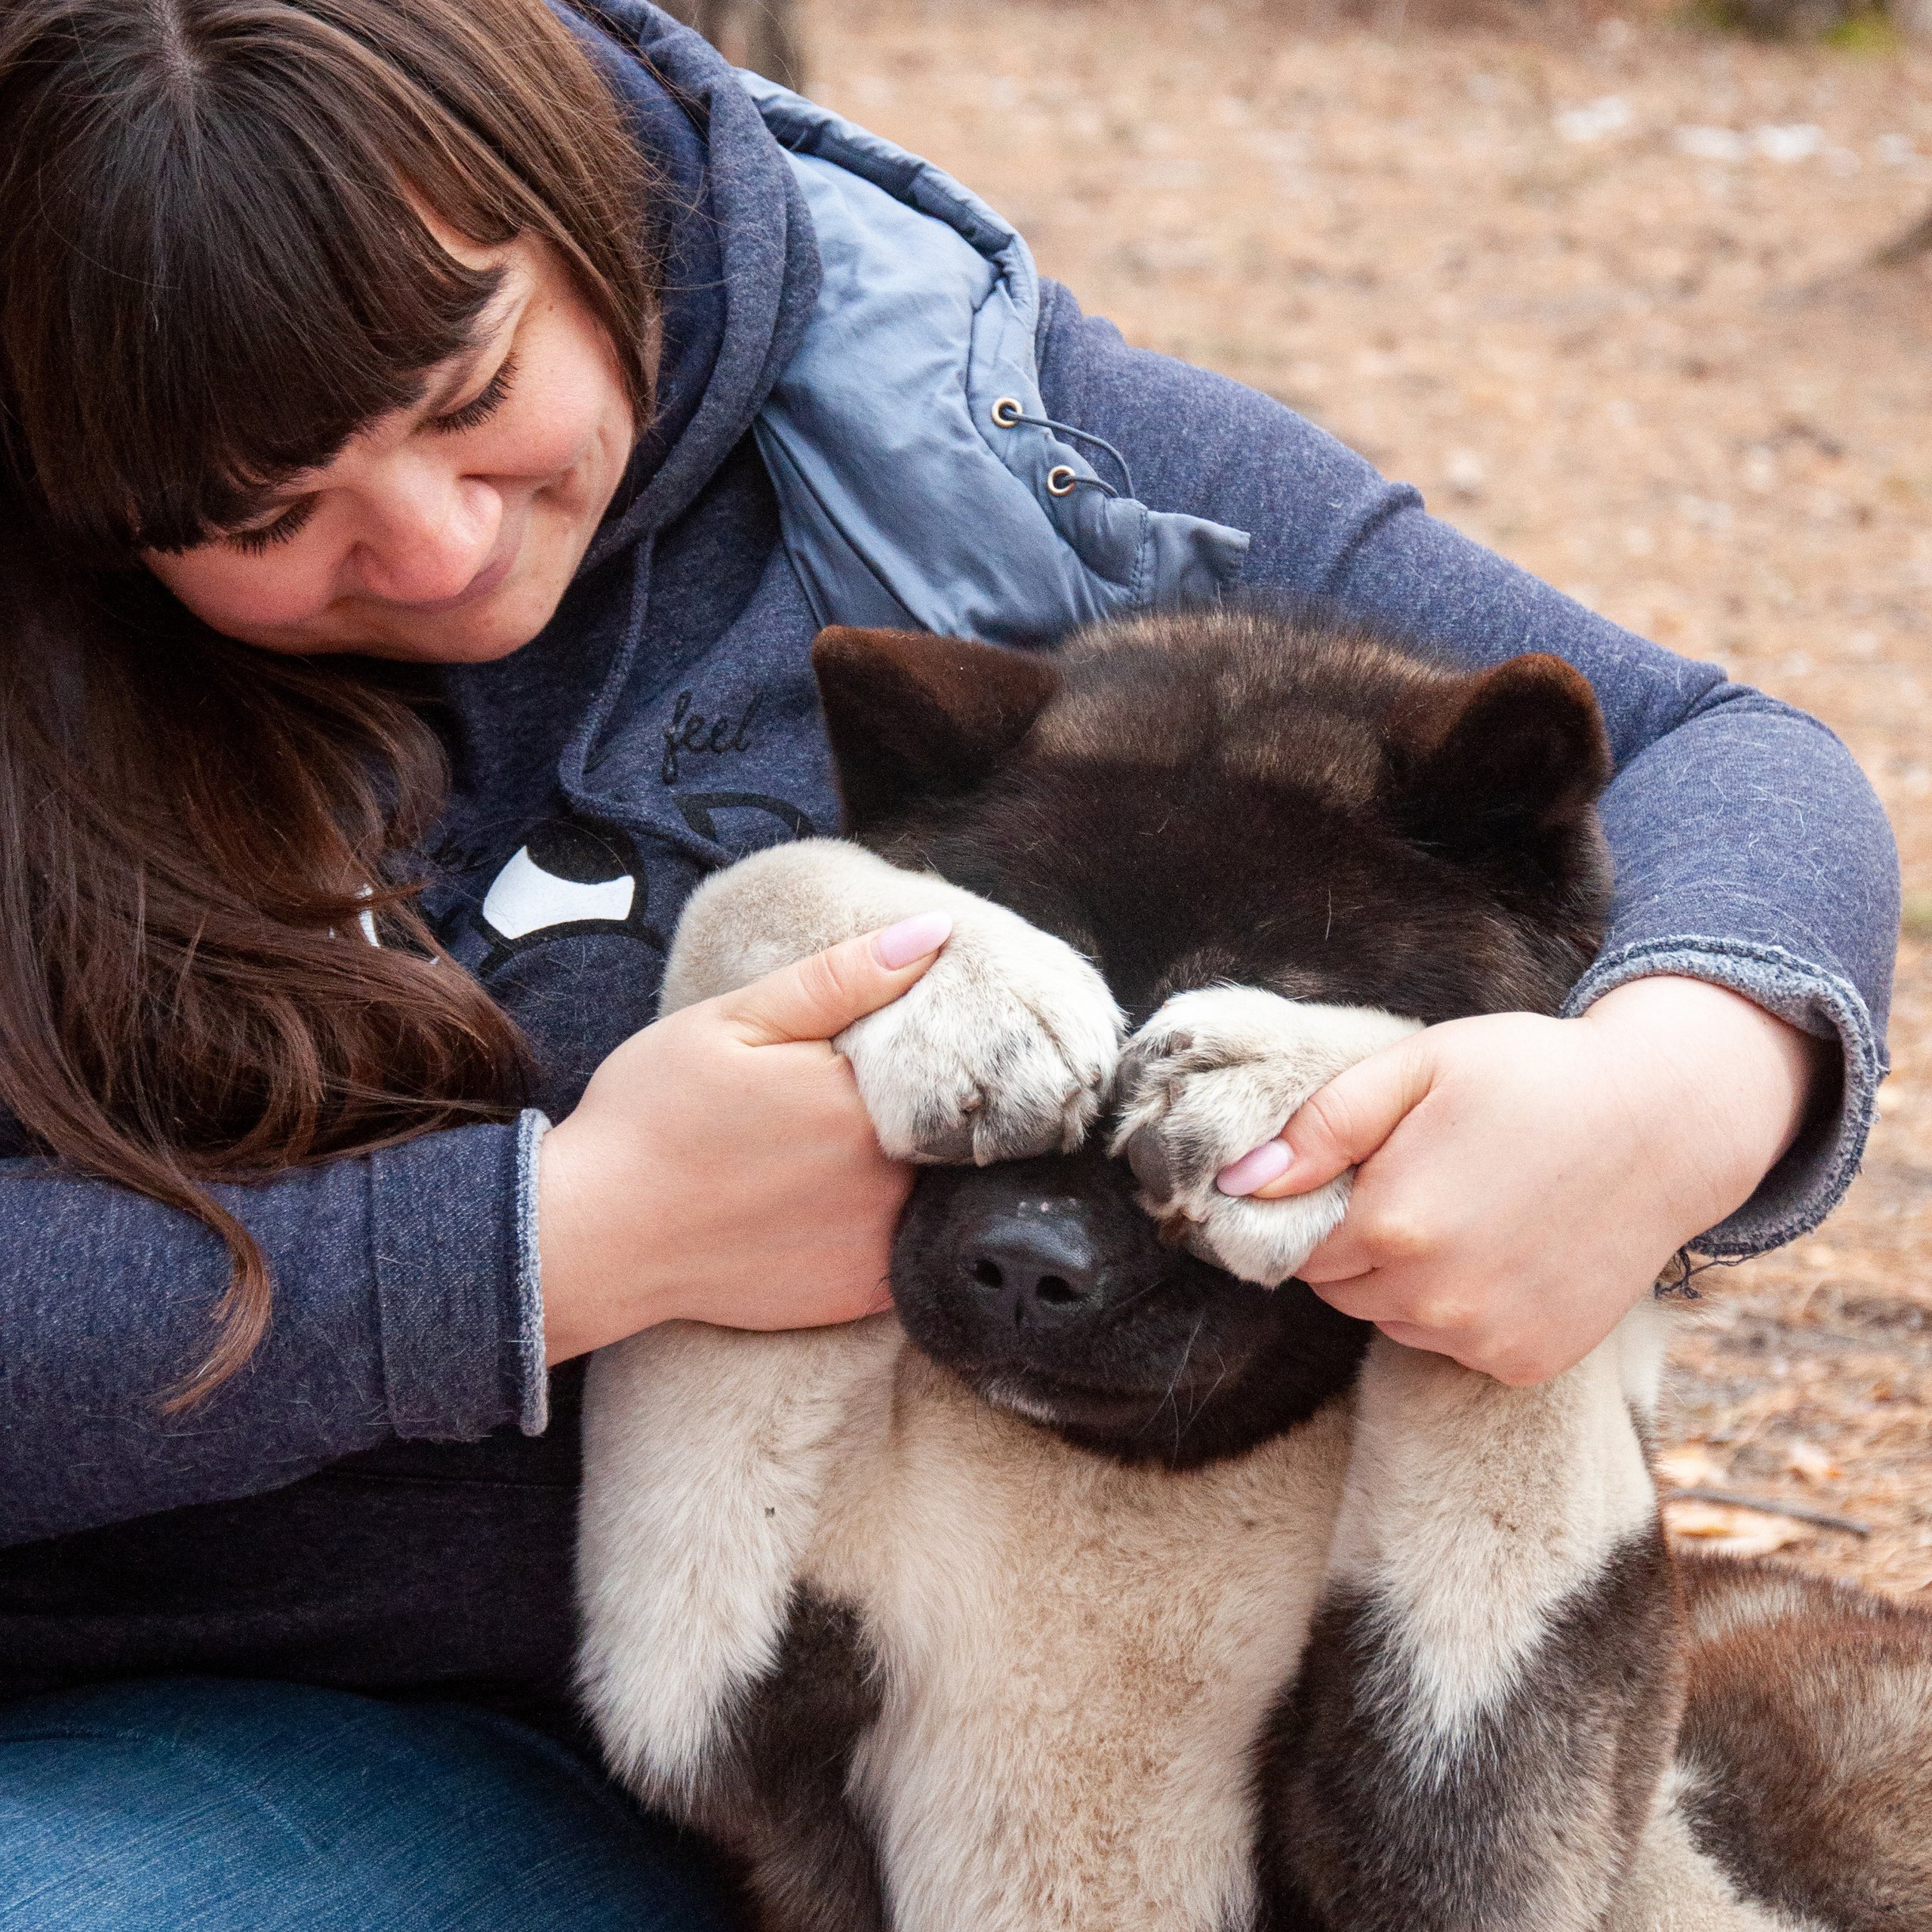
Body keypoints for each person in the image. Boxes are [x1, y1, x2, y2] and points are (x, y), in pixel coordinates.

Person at [0, 0, 1894, 1922]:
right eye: (264, 513)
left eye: (467, 387)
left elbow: (1710, 756)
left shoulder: (953, 430)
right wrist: (570, 1237)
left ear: (574, 203)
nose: (425, 544)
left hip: (1036, 1719)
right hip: (264, 1716)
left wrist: (1662, 1088)